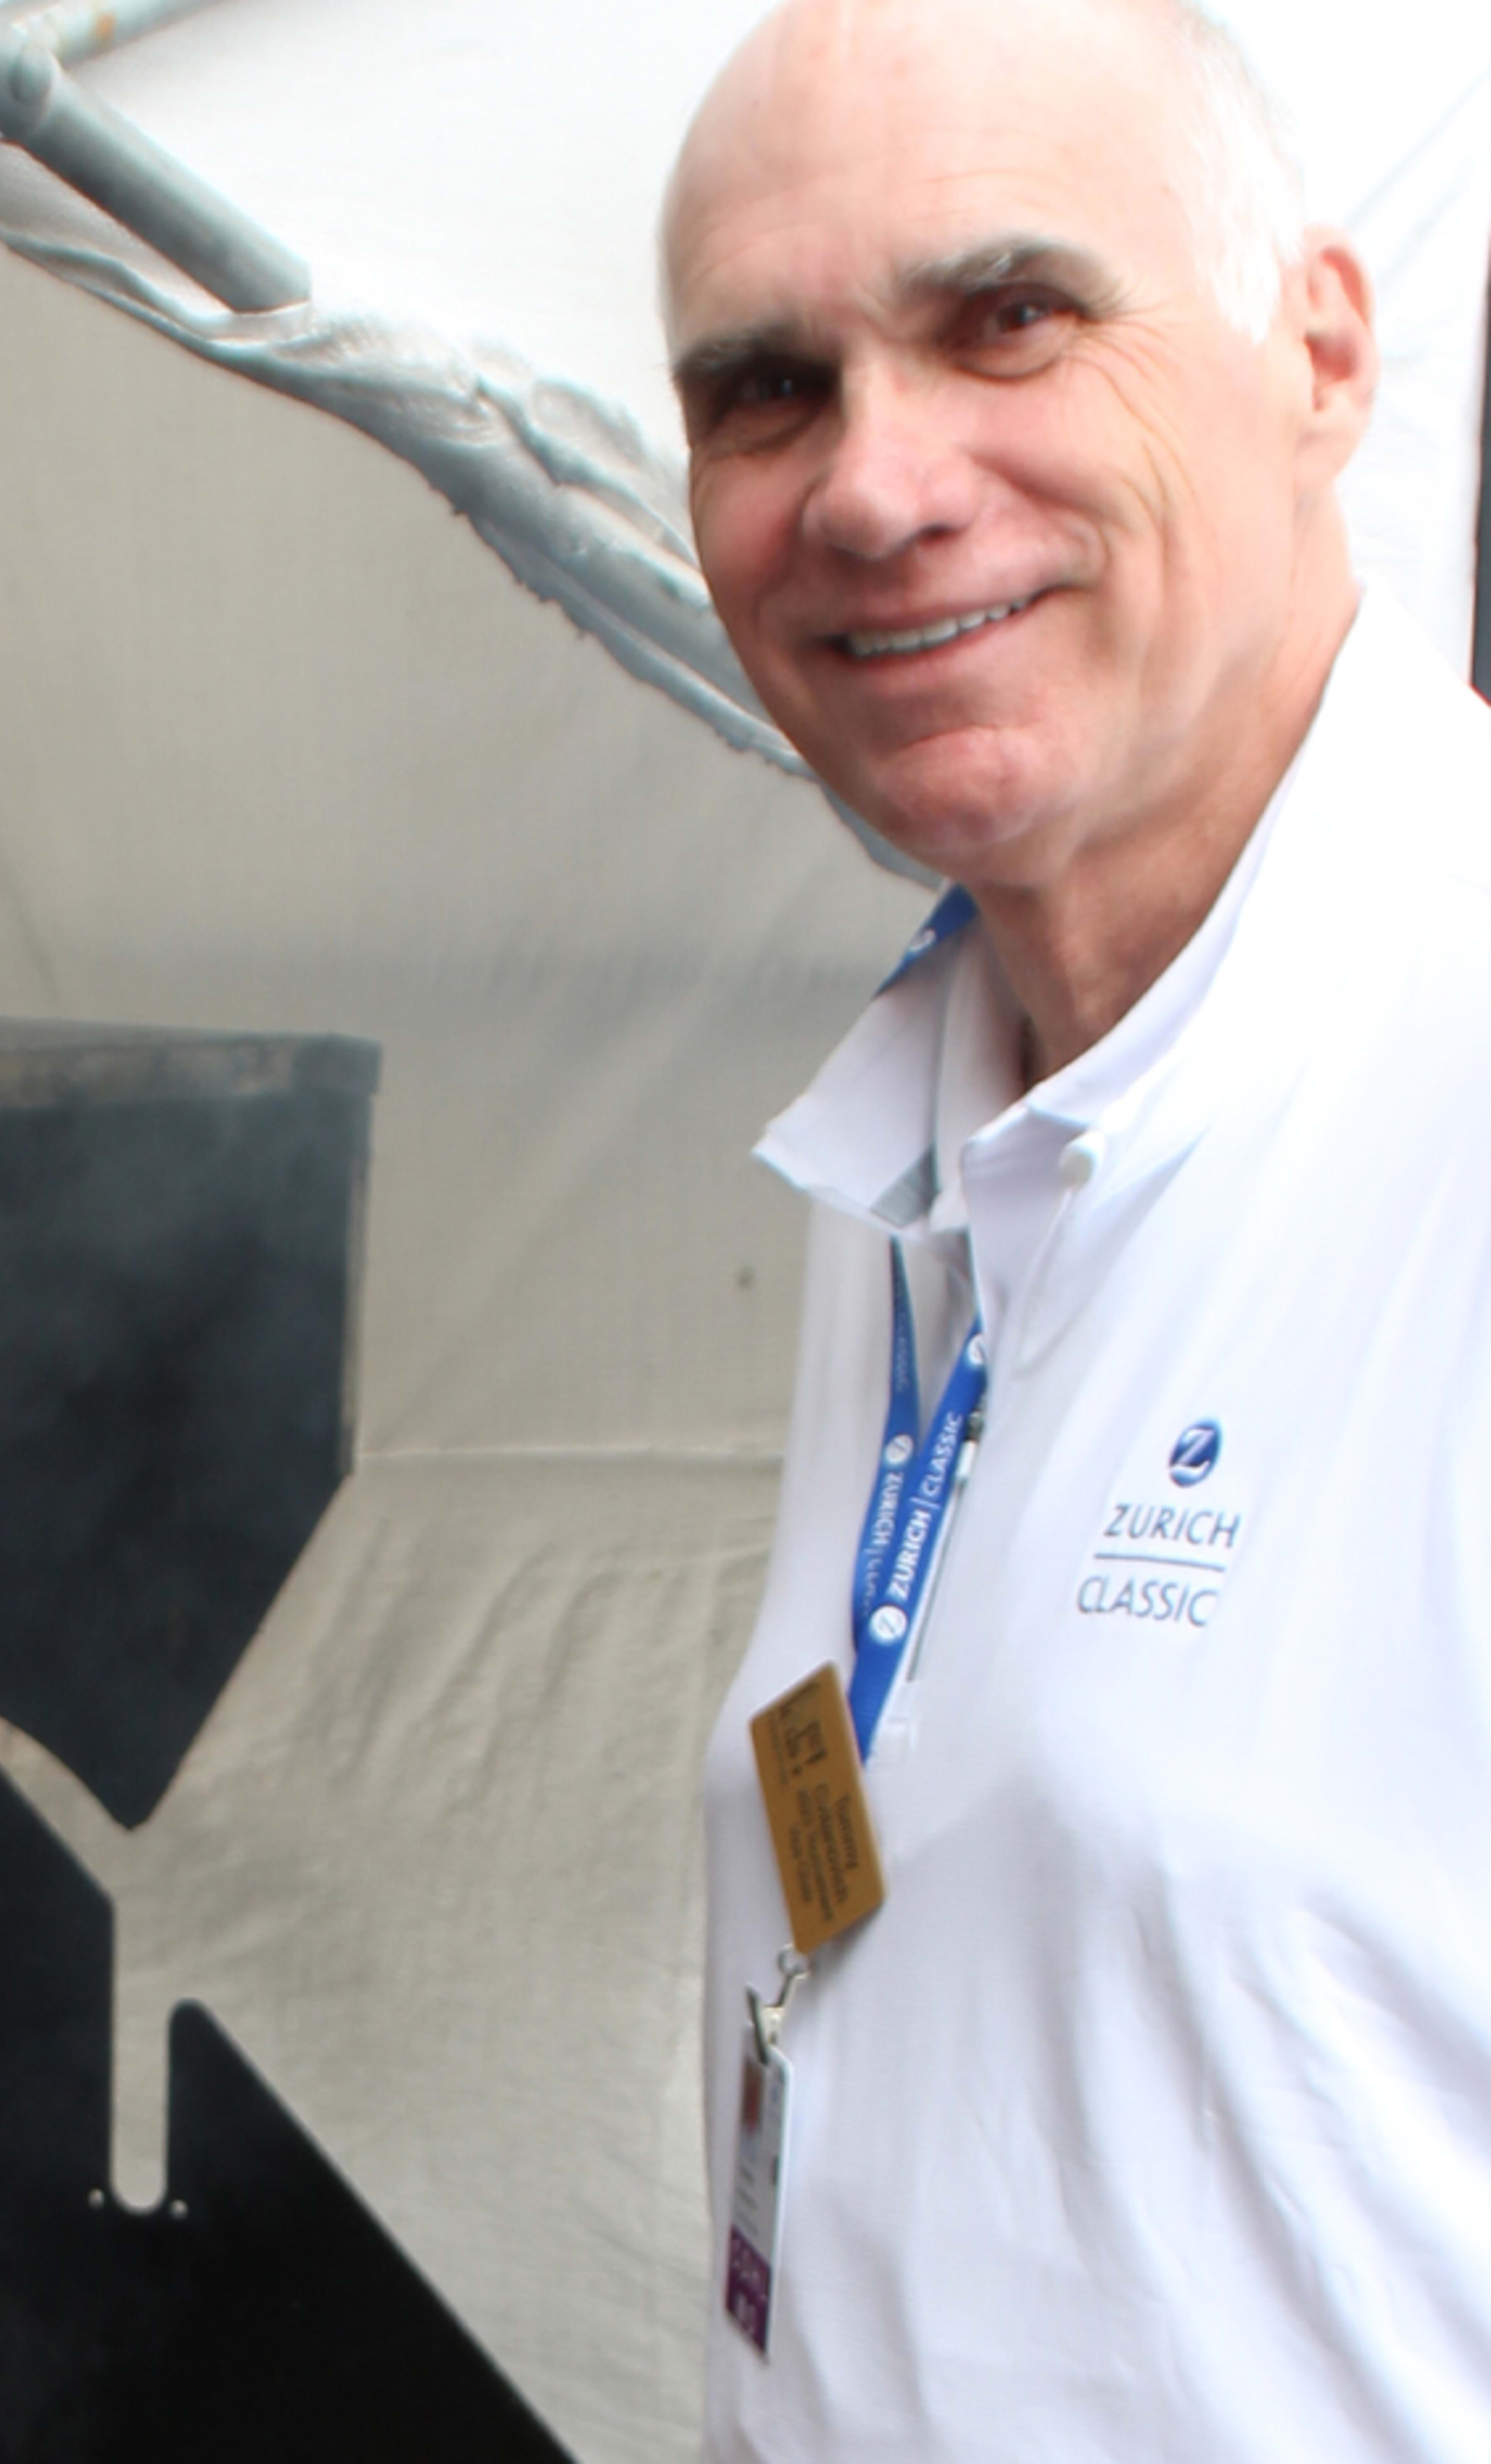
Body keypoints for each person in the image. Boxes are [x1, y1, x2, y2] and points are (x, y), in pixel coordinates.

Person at [659, 0, 1491, 2452]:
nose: (876, 488)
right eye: (767, 390)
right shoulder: (931, 1125)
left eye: (1005, 316)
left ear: (1320, 351)